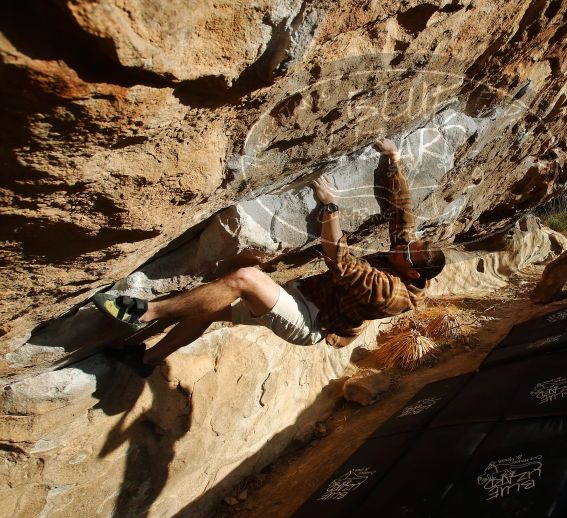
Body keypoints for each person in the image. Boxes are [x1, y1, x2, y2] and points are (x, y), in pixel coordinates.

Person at [93, 138, 446, 377]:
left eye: (407, 252)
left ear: (414, 274)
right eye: (408, 246)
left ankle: (147, 313)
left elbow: (340, 262)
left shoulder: (391, 294)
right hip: (302, 296)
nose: (401, 247)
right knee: (210, 308)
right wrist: (394, 160)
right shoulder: (409, 258)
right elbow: (402, 216)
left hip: (310, 321)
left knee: (244, 278)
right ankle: (147, 360)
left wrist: (330, 208)